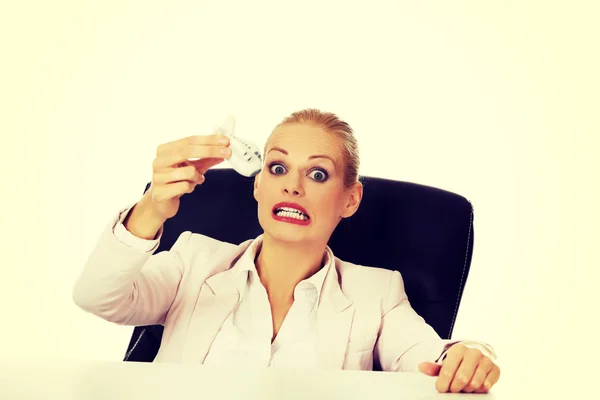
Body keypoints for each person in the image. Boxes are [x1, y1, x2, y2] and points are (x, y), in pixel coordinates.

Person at [73, 109, 501, 393]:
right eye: (277, 168)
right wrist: (152, 208)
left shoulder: (379, 293)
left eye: (318, 173)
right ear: (258, 185)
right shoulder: (193, 261)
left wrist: (468, 356)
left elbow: (428, 356)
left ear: (350, 200)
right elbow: (97, 296)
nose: (293, 186)